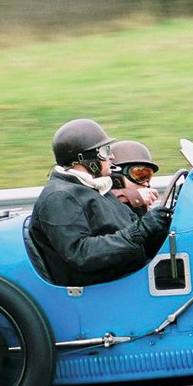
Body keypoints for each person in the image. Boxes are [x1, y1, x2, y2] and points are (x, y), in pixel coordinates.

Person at [29, 119, 172, 286]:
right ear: (85, 159)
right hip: (106, 287)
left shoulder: (95, 186)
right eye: (104, 151)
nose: (111, 156)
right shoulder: (60, 196)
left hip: (131, 274)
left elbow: (124, 227)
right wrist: (140, 231)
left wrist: (159, 226)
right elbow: (80, 254)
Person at [109, 140, 159, 216]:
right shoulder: (104, 206)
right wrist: (134, 196)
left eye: (147, 176)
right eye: (139, 176)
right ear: (116, 178)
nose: (146, 183)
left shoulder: (141, 209)